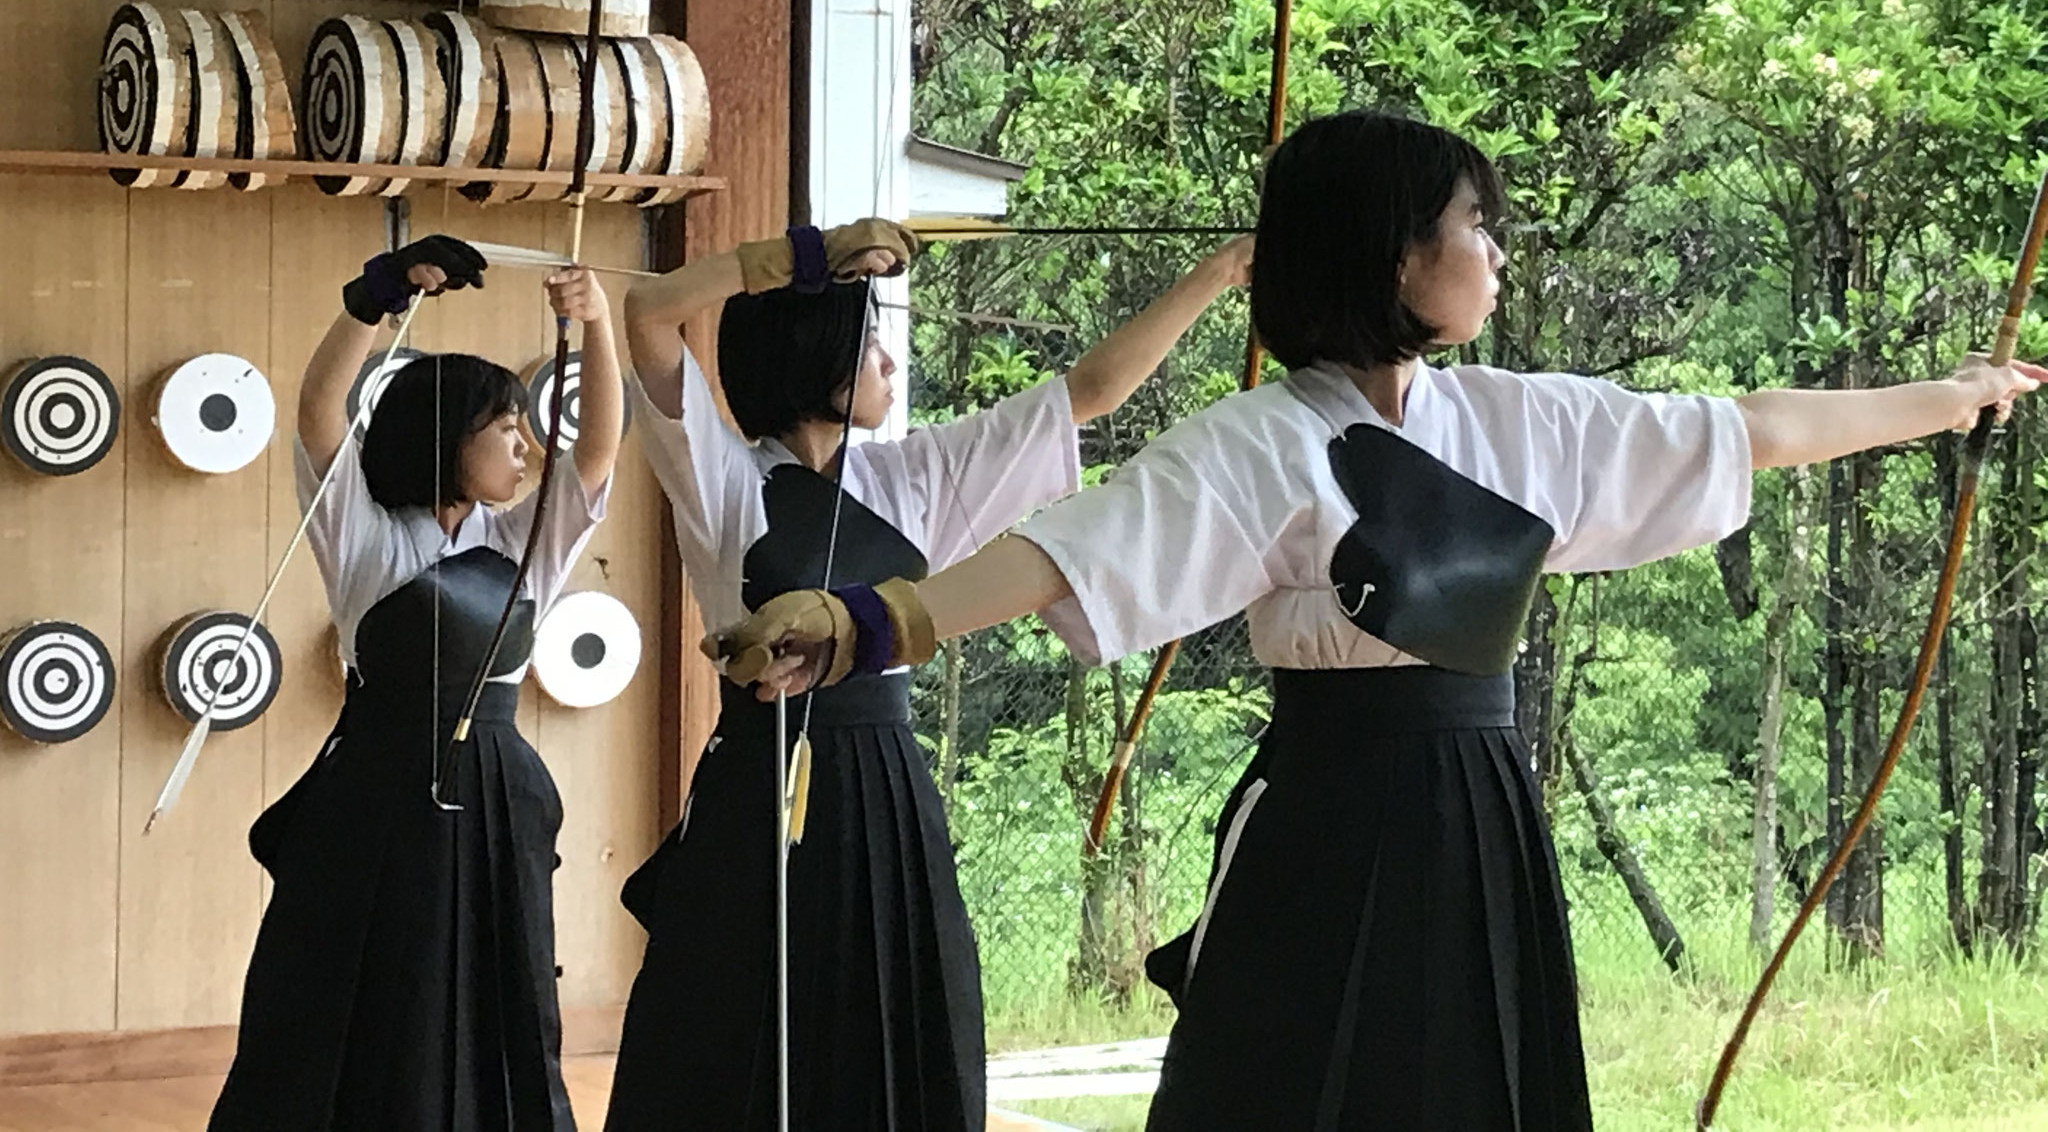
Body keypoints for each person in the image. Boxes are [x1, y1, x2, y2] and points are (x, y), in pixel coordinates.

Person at [715, 112, 2046, 1132]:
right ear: (1396, 255)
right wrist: (861, 627)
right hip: (1332, 817)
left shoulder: (1508, 421)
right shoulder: (1265, 441)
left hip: (1480, 800)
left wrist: (1951, 395)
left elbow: (1739, 432)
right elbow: (1066, 556)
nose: (1499, 251)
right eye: (1479, 224)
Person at [604, 217, 1253, 1132]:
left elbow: (1089, 393)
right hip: (763, 786)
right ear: (813, 345)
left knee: (900, 1023)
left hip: (887, 795)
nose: (890, 364)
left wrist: (1218, 275)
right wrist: (804, 257)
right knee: (732, 1034)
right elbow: (647, 312)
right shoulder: (722, 477)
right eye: (870, 342)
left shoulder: (914, 477)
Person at [210, 233, 622, 1132]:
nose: (525, 449)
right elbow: (320, 409)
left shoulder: (516, 546)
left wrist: (595, 327)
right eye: (504, 430)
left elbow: (593, 459)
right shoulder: (365, 536)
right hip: (376, 794)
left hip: (497, 799)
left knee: (498, 990)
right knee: (363, 993)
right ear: (443, 437)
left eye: (524, 430)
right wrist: (380, 296)